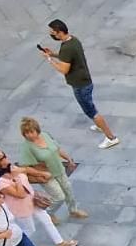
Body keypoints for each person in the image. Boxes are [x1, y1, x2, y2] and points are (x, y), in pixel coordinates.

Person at [40, 19, 120, 149]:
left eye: (52, 32)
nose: (52, 35)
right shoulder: (73, 41)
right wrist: (53, 54)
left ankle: (111, 137)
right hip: (85, 80)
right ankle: (100, 126)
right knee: (91, 107)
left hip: (79, 84)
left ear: (59, 32)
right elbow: (68, 57)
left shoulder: (66, 48)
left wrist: (49, 59)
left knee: (91, 111)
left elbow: (64, 69)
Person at [0, 148, 77, 246]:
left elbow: (25, 169)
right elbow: (20, 194)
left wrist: (40, 174)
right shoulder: (0, 181)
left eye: (4, 155)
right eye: (2, 158)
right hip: (20, 207)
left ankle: (60, 243)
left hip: (32, 200)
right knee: (29, 229)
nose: (6, 158)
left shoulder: (10, 167)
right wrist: (17, 178)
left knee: (46, 220)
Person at [18, 116, 88, 221]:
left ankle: (73, 210)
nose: (29, 135)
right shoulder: (26, 147)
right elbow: (25, 167)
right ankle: (48, 214)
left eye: (31, 132)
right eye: (26, 133)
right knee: (59, 197)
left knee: (68, 191)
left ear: (37, 130)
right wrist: (41, 174)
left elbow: (57, 149)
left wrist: (68, 158)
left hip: (59, 169)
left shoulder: (45, 135)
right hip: (46, 175)